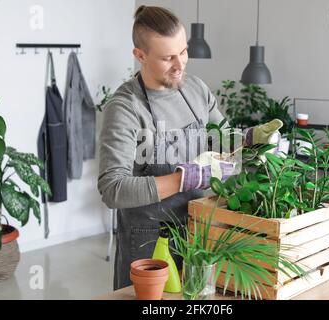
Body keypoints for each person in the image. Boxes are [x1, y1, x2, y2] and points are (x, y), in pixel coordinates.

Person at [98, 5, 282, 290]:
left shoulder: (195, 89)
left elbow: (222, 140)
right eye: (167, 57)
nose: (180, 64)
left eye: (183, 51)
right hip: (150, 241)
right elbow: (113, 189)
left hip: (203, 231)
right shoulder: (124, 108)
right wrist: (183, 179)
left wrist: (249, 139)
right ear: (140, 55)